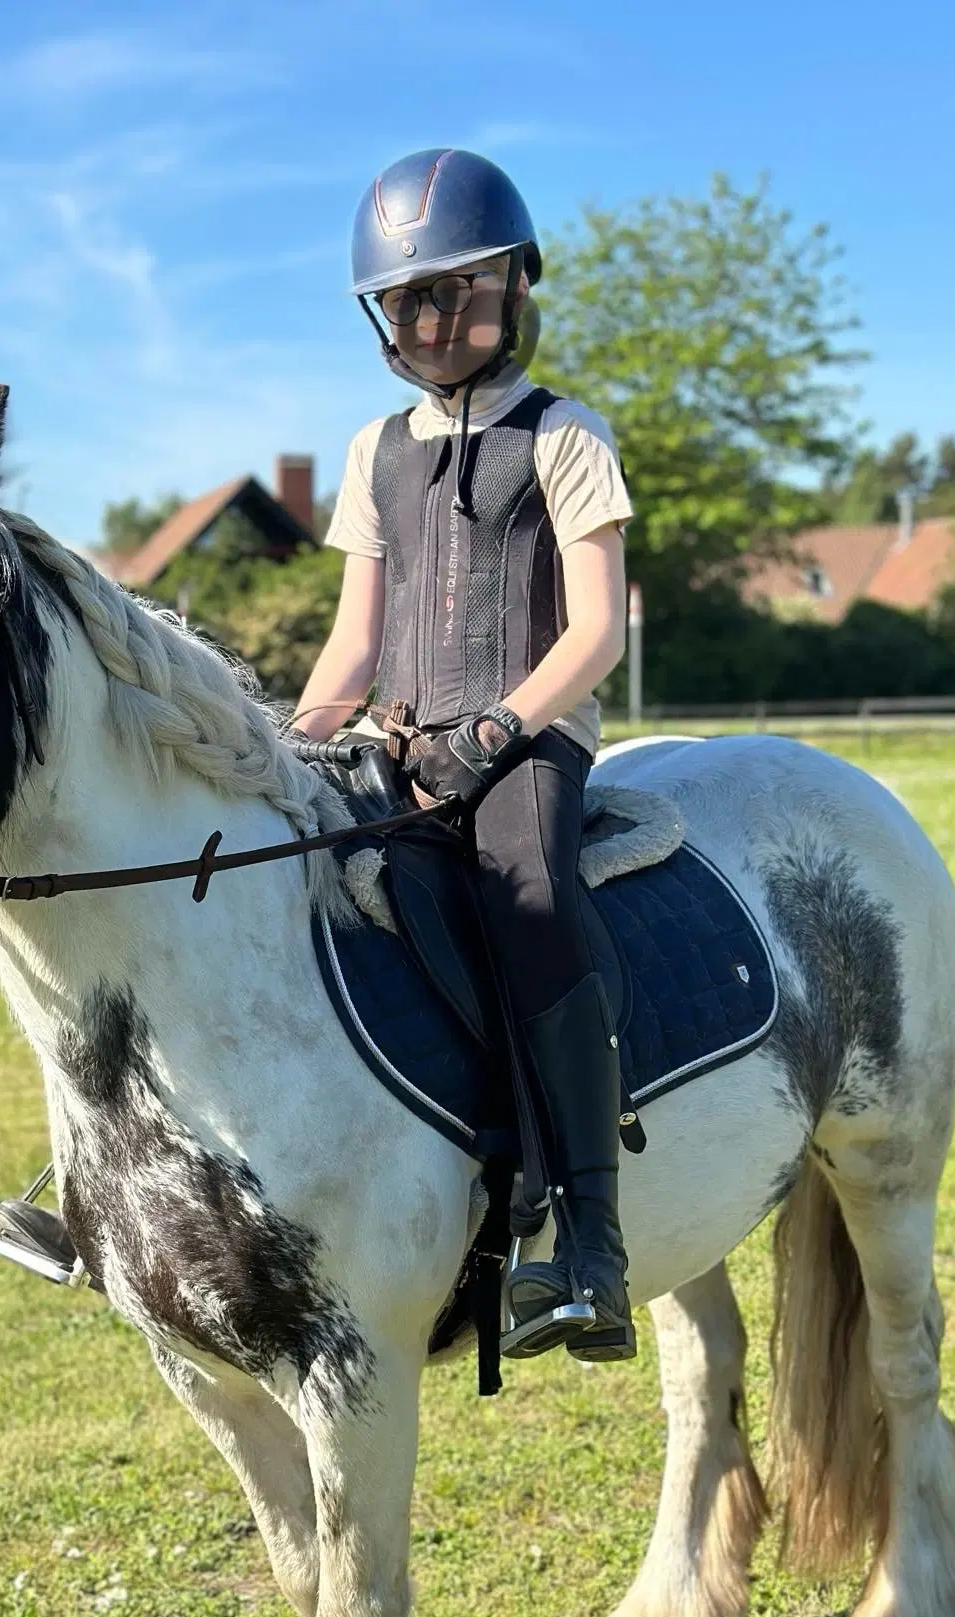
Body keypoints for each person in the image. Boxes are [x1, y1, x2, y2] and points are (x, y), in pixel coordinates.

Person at [290, 147, 637, 1361]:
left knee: (530, 895)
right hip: (406, 736)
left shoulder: (567, 436)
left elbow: (598, 627)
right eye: (409, 299)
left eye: (460, 290)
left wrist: (501, 725)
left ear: (516, 289)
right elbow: (354, 640)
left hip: (531, 738)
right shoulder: (373, 451)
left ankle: (593, 1243)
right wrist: (290, 747)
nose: (434, 319)